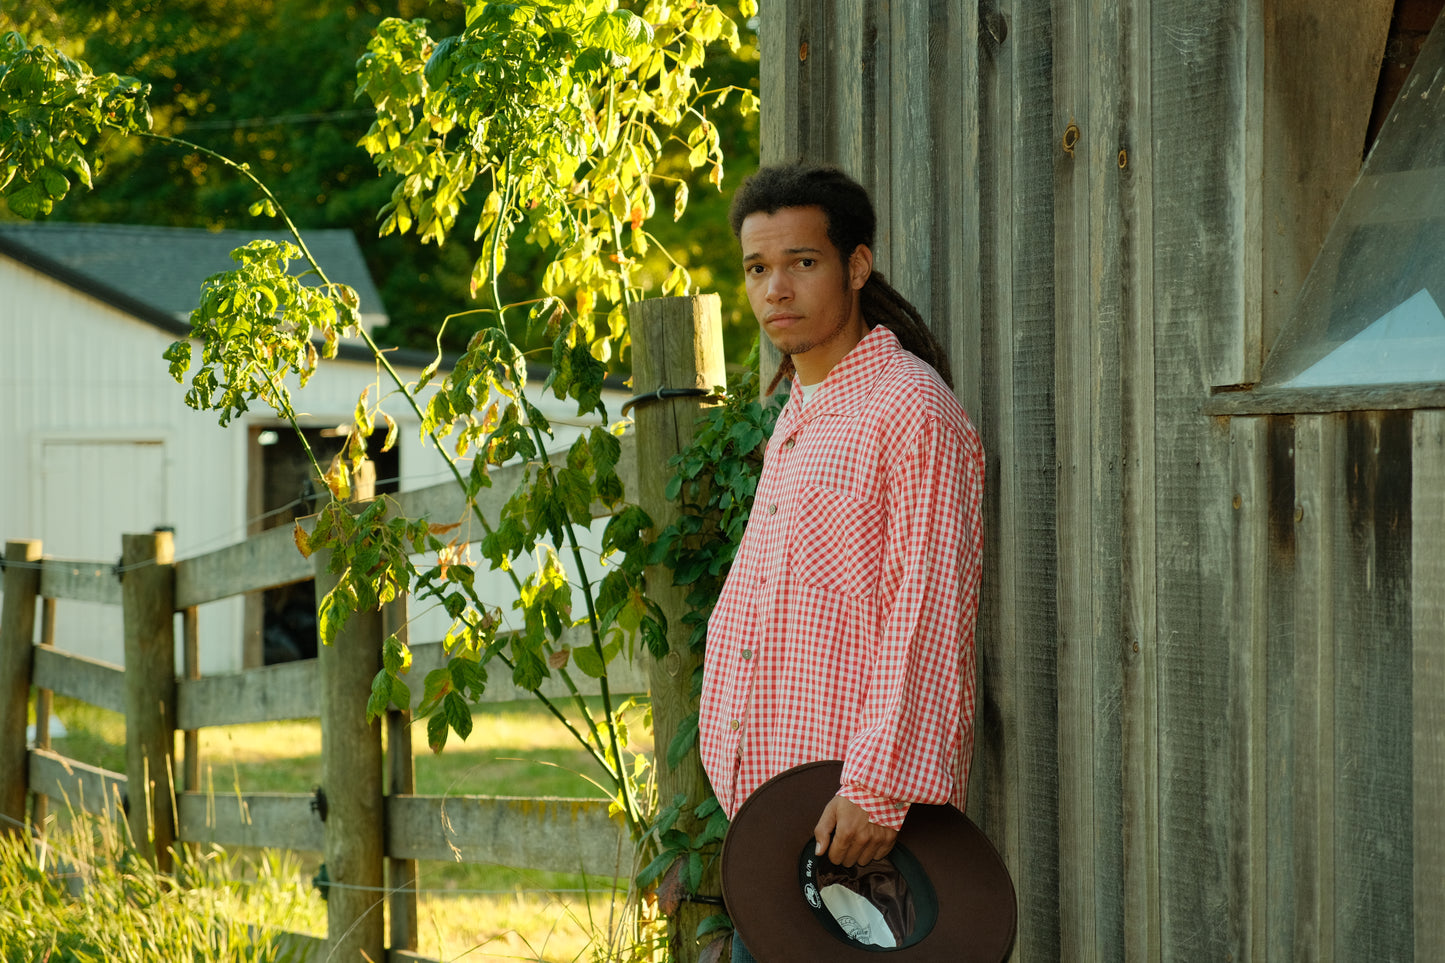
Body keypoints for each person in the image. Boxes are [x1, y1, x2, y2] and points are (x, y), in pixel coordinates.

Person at [698, 163, 984, 962]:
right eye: (758, 268)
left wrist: (877, 786)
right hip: (775, 831)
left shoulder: (909, 410)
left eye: (803, 261)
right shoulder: (798, 413)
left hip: (854, 833)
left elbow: (927, 612)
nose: (775, 288)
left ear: (856, 265)